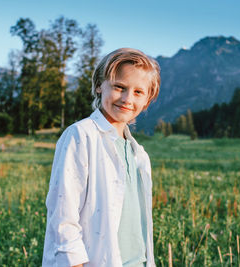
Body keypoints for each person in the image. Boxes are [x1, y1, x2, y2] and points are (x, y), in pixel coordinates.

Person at [42, 48, 161, 267]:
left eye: (138, 92)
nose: (127, 98)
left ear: (147, 100)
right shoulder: (81, 135)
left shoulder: (139, 154)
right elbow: (63, 216)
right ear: (99, 85)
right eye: (119, 87)